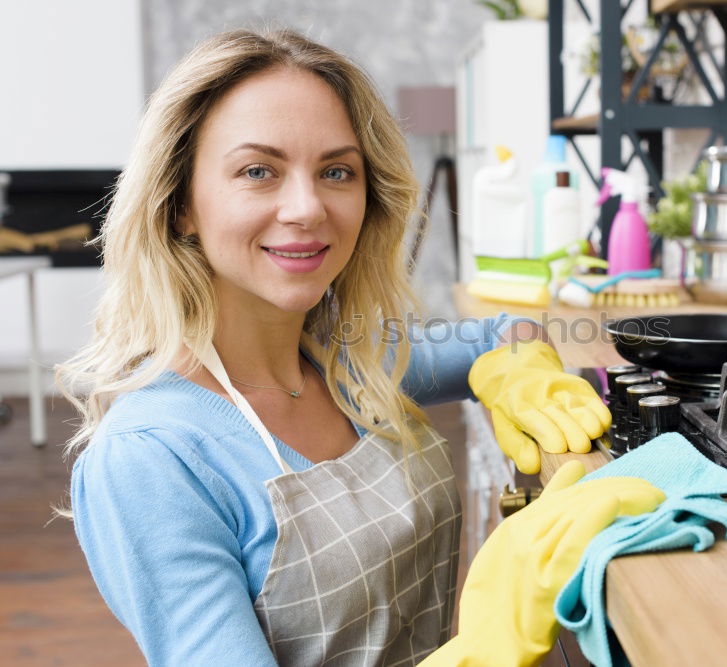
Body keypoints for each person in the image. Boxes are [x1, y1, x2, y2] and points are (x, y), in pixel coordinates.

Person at [60, 29, 664, 666]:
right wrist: (488, 643)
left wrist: (522, 372)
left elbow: (499, 333)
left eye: (336, 171)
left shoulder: (347, 363)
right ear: (181, 204)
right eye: (258, 171)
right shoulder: (150, 461)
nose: (307, 207)